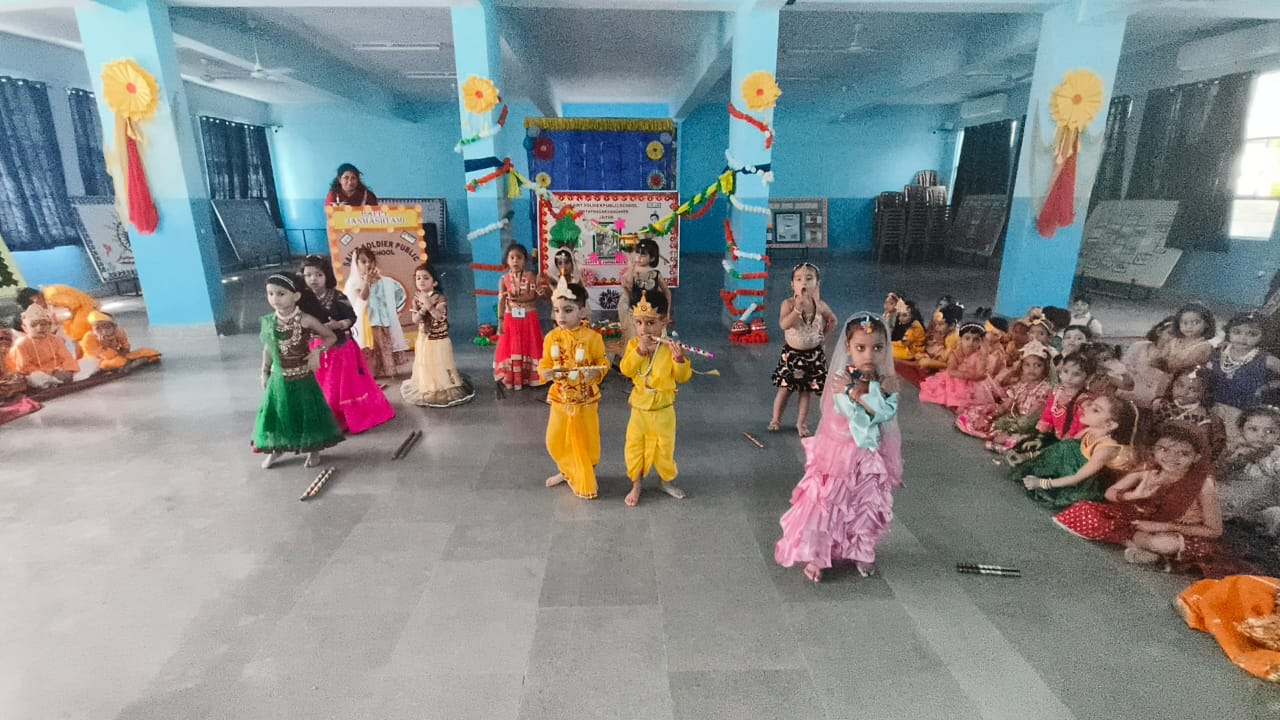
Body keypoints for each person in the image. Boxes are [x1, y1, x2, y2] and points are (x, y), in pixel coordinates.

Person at [774, 312, 903, 582]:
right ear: (848, 348)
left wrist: (860, 394)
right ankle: (818, 555)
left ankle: (862, 552)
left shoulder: (885, 381)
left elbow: (884, 413)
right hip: (839, 455)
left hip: (869, 458)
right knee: (829, 506)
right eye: (861, 348)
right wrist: (861, 394)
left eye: (877, 348)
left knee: (865, 506)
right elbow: (856, 415)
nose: (869, 355)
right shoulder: (841, 379)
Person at [1054, 421, 1221, 572]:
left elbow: (1214, 530)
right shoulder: (1149, 467)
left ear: (1196, 457)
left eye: (1183, 453)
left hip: (1180, 533)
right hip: (1142, 525)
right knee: (1083, 509)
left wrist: (1162, 527)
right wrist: (1133, 495)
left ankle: (1153, 553)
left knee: (1162, 543)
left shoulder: (1203, 484)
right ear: (1153, 449)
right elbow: (1110, 493)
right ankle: (1143, 550)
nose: (1171, 458)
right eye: (1164, 449)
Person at [253, 273, 343, 469]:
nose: (274, 299)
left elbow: (331, 337)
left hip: (303, 378)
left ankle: (313, 449)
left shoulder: (306, 320)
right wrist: (264, 371)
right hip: (278, 379)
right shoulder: (269, 321)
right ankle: (277, 448)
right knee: (278, 414)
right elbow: (268, 348)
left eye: (281, 294)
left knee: (307, 413)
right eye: (270, 294)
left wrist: (317, 351)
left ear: (296, 296)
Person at [300, 255, 395, 432]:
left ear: (327, 275)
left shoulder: (337, 296)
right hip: (316, 349)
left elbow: (352, 317)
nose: (313, 279)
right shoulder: (302, 300)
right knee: (323, 383)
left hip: (341, 348)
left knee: (343, 385)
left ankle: (348, 416)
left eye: (318, 275)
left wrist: (338, 325)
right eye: (308, 275)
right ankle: (328, 415)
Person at [620, 289, 691, 507]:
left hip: (663, 410)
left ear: (664, 322)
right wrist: (639, 352)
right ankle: (636, 484)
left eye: (650, 323)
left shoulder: (670, 348)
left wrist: (680, 361)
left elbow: (683, 377)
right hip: (639, 410)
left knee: (664, 449)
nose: (643, 329)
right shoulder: (633, 345)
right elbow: (626, 370)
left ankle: (665, 481)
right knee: (634, 447)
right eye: (639, 323)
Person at [539, 276, 608, 499]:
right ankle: (568, 470)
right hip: (560, 398)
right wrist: (545, 372)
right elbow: (545, 362)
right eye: (557, 310)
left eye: (568, 310)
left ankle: (583, 472)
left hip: (585, 399)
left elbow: (602, 362)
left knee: (587, 441)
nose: (561, 316)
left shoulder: (592, 338)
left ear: (583, 311)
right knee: (555, 439)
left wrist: (597, 372)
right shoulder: (551, 338)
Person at [1017, 394, 1141, 508]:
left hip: (1099, 481)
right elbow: (1059, 449)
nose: (1086, 409)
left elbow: (1078, 477)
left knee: (1069, 448)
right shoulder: (1089, 431)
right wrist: (1030, 456)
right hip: (1083, 470)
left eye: (1095, 410)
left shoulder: (1106, 449)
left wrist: (1042, 483)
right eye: (1090, 404)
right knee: (1069, 445)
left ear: (1110, 425)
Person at [769, 262, 837, 437]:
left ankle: (801, 422)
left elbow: (833, 320)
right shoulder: (788, 304)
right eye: (799, 279)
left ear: (817, 283)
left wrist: (824, 335)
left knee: (806, 391)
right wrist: (797, 310)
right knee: (785, 389)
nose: (804, 283)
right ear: (792, 285)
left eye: (809, 278)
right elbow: (784, 324)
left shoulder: (820, 306)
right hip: (792, 355)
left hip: (812, 355)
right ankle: (776, 419)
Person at [401, 262, 474, 408]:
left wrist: (428, 304)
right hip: (424, 338)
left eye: (426, 278)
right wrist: (423, 308)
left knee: (441, 362)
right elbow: (415, 320)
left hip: (439, 339)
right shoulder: (416, 299)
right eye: (418, 278)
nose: (421, 281)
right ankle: (429, 385)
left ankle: (443, 385)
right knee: (425, 363)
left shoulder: (440, 298)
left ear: (434, 282)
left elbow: (438, 316)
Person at [957, 340, 1053, 447]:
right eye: (1027, 365)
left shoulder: (1045, 389)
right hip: (1013, 417)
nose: (1032, 369)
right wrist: (990, 418)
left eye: (1038, 365)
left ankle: (1012, 439)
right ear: (1022, 367)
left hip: (1028, 423)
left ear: (1045, 368)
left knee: (1013, 438)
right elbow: (1006, 405)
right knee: (980, 416)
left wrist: (1012, 429)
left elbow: (1032, 415)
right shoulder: (1021, 386)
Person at [1206, 311, 1280, 433]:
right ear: (1228, 332)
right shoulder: (1218, 352)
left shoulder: (1266, 360)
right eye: (1237, 332)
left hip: (1244, 416)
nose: (1243, 338)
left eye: (1252, 334)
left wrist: (1268, 386)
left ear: (1263, 336)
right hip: (1212, 409)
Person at [344, 246, 408, 378]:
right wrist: (367, 282)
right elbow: (363, 298)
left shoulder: (382, 279)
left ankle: (388, 370)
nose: (368, 264)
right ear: (356, 264)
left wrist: (394, 310)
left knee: (384, 344)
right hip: (366, 321)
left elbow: (396, 294)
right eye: (363, 262)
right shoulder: (354, 282)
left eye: (370, 261)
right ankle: (372, 372)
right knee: (370, 346)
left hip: (381, 318)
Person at [494, 242, 547, 391]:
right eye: (512, 258)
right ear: (507, 260)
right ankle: (513, 378)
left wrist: (518, 298)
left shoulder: (531, 276)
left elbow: (532, 296)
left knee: (530, 345)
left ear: (525, 260)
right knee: (512, 346)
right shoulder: (503, 279)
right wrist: (500, 321)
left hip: (529, 317)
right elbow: (501, 301)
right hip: (510, 318)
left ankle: (530, 377)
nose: (515, 261)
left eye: (519, 257)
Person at [8, 304, 97, 388]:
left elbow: (67, 357)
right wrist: (52, 372)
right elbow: (25, 367)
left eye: (43, 324)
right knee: (36, 378)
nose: (40, 328)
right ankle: (59, 381)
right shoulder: (21, 345)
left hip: (62, 370)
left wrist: (69, 370)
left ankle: (60, 380)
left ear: (49, 325)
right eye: (34, 325)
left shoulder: (55, 339)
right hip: (44, 375)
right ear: (25, 327)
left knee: (92, 360)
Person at [1150, 366, 1227, 460]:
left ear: (1204, 393)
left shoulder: (1202, 419)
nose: (1184, 392)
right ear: (1172, 384)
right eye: (1180, 385)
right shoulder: (1160, 404)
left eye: (1193, 390)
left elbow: (1200, 448)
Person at [918, 321, 993, 410]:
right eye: (967, 338)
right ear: (960, 339)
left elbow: (981, 373)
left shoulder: (979, 355)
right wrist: (968, 376)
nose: (971, 343)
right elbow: (951, 371)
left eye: (976, 340)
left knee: (980, 398)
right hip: (957, 379)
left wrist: (983, 358)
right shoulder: (955, 354)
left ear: (981, 342)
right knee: (950, 393)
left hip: (975, 382)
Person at [617, 238, 670, 347]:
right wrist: (631, 268)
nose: (639, 257)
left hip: (652, 313)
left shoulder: (656, 274)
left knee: (653, 337)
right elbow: (628, 286)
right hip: (634, 312)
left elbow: (667, 292)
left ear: (652, 258)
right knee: (634, 338)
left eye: (643, 255)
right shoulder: (632, 271)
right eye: (637, 253)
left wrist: (667, 311)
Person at [1118, 316, 1174, 408]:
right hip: (1125, 395)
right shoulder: (1138, 346)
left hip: (1150, 403)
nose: (1173, 338)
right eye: (1170, 333)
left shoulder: (1176, 358)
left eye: (1178, 337)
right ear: (1159, 332)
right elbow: (1123, 370)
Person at [78, 311, 160, 371]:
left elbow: (126, 346)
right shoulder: (89, 338)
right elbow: (96, 355)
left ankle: (132, 363)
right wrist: (104, 346)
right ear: (92, 329)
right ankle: (133, 363)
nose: (103, 331)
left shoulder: (119, 332)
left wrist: (123, 351)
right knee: (119, 361)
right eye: (98, 328)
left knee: (150, 351)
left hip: (120, 354)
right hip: (100, 361)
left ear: (114, 326)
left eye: (107, 327)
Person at [1153, 302, 1215, 376]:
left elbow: (1181, 365)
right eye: (1184, 323)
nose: (1189, 327)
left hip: (1187, 381)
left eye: (1195, 322)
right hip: (1165, 378)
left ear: (1207, 324)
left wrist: (1162, 363)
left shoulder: (1205, 346)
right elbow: (1159, 359)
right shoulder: (1174, 341)